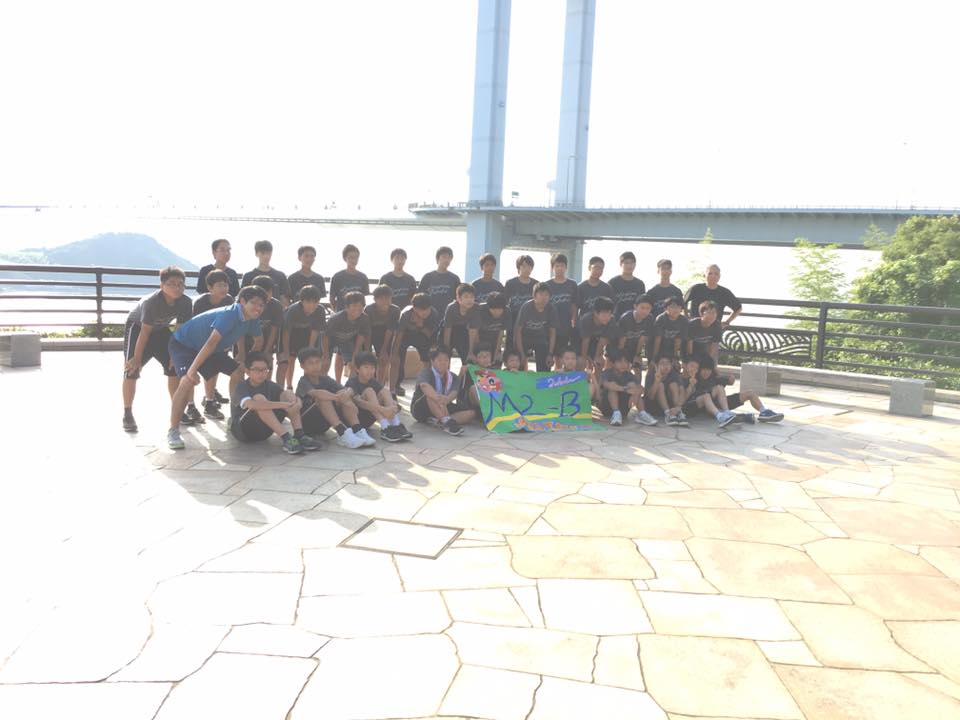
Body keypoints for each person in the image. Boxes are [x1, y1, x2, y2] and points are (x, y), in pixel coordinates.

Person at [167, 285, 268, 449]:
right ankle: (173, 430)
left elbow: (259, 341)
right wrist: (192, 371)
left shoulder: (253, 317)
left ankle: (235, 418)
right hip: (185, 345)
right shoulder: (230, 314)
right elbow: (211, 342)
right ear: (242, 301)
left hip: (212, 350)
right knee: (187, 381)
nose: (258, 308)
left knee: (238, 371)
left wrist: (247, 363)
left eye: (262, 305)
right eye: (254, 303)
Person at [122, 266, 193, 433]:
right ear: (162, 286)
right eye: (171, 284)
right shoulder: (151, 302)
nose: (177, 288)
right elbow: (145, 332)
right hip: (138, 328)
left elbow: (180, 330)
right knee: (132, 370)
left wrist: (174, 355)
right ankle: (127, 413)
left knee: (174, 367)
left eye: (180, 284)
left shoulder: (185, 302)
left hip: (161, 330)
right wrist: (136, 358)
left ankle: (177, 410)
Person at [229, 351, 322, 453]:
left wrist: (297, 402)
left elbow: (292, 399)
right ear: (247, 372)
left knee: (288, 394)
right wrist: (282, 405)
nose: (261, 373)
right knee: (260, 400)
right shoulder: (242, 386)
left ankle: (299, 434)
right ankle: (286, 438)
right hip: (244, 432)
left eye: (264, 370)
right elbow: (251, 404)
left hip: (264, 432)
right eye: (256, 370)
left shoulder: (271, 385)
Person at [296, 347, 371, 449]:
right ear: (302, 366)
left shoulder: (325, 379)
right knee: (324, 398)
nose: (315, 366)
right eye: (310, 363)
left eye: (317, 362)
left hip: (324, 424)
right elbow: (317, 393)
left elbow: (349, 389)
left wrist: (346, 395)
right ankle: (342, 433)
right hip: (307, 424)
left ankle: (357, 430)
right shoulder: (303, 382)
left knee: (343, 393)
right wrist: (338, 398)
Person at [191, 269, 234, 420]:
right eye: (220, 285)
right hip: (200, 340)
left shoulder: (229, 300)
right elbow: (195, 327)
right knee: (202, 370)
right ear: (210, 287)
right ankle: (198, 404)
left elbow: (231, 323)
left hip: (220, 339)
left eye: (226, 285)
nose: (224, 288)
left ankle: (209, 399)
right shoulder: (200, 303)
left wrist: (227, 342)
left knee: (215, 369)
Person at [694, 356, 784, 424]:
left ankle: (764, 412)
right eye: (704, 370)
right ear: (699, 369)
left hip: (721, 404)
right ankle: (731, 415)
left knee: (750, 393)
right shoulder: (695, 379)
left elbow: (729, 381)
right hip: (708, 407)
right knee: (719, 388)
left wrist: (730, 379)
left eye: (708, 370)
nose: (706, 372)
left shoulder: (714, 377)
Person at [410, 347, 476, 435]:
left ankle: (442, 420)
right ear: (432, 361)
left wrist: (447, 400)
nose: (443, 362)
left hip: (444, 405)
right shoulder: (426, 372)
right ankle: (446, 422)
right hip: (422, 408)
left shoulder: (452, 376)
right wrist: (438, 399)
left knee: (471, 413)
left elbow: (454, 392)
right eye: (439, 360)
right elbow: (424, 386)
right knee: (430, 397)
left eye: (446, 360)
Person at [346, 351, 407, 443]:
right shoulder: (352, 382)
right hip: (357, 419)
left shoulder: (373, 381)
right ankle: (385, 427)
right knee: (369, 391)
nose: (370, 371)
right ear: (357, 369)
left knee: (385, 391)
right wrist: (383, 409)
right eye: (366, 367)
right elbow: (359, 402)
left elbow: (385, 396)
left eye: (372, 368)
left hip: (370, 417)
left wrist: (392, 406)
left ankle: (396, 424)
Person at [278, 285, 326, 391]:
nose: (312, 305)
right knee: (290, 360)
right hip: (291, 335)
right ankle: (289, 385)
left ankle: (308, 385)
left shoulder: (320, 310)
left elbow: (316, 330)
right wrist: (286, 351)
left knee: (309, 359)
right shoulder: (293, 310)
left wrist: (310, 348)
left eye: (315, 302)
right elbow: (286, 332)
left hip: (308, 334)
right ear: (302, 301)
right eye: (308, 302)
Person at [393, 292, 440, 397]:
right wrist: (395, 352)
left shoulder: (433, 314)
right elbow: (399, 335)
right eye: (422, 310)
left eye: (427, 309)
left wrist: (421, 325)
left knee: (427, 360)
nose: (425, 313)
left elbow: (430, 335)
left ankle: (423, 384)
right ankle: (396, 385)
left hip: (423, 335)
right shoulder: (406, 314)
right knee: (399, 359)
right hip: (405, 336)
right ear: (414, 308)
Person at [598, 348, 658, 427]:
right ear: (613, 363)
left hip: (624, 408)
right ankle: (616, 413)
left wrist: (635, 394)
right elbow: (607, 385)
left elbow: (641, 388)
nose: (623, 364)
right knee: (613, 389)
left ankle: (642, 414)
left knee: (632, 385)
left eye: (626, 362)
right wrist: (626, 390)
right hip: (607, 407)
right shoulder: (607, 373)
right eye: (620, 361)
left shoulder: (629, 375)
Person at [326, 291, 371, 383]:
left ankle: (351, 385)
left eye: (360, 306)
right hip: (330, 340)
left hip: (347, 340)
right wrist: (325, 354)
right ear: (347, 307)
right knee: (324, 364)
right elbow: (325, 337)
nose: (357, 308)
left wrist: (355, 355)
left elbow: (361, 337)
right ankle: (334, 384)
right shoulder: (336, 319)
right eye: (354, 305)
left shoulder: (364, 318)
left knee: (355, 363)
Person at [514, 282, 558, 372]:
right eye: (541, 294)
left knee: (545, 365)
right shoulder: (526, 307)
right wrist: (521, 354)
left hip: (541, 339)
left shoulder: (551, 309)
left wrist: (550, 353)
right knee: (519, 363)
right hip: (525, 338)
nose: (544, 298)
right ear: (534, 296)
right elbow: (518, 331)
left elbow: (552, 332)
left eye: (546, 295)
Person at [545, 253, 579, 369]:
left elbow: (574, 305)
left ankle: (559, 377)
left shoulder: (572, 284)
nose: (559, 268)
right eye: (557, 266)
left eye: (562, 266)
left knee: (561, 357)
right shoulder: (547, 285)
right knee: (549, 358)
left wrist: (574, 321)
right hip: (549, 327)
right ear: (552, 267)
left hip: (565, 326)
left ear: (566, 267)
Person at [364, 284, 401, 389]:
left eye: (387, 298)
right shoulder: (368, 309)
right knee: (367, 359)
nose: (385, 301)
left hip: (385, 334)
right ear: (375, 299)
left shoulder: (395, 310)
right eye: (381, 298)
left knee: (383, 360)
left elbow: (390, 330)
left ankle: (379, 386)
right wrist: (368, 350)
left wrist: (384, 350)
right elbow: (367, 331)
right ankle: (368, 384)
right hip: (370, 333)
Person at [250, 275, 285, 374]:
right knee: (241, 367)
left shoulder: (276, 305)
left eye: (269, 292)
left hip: (267, 339)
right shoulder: (245, 303)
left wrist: (267, 351)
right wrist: (241, 352)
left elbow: (274, 330)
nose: (266, 295)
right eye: (262, 292)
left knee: (267, 365)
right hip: (247, 340)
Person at [644, 354, 689, 427]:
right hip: (653, 407)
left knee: (674, 384)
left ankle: (678, 413)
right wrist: (656, 381)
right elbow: (650, 397)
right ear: (656, 366)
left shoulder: (674, 375)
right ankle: (668, 414)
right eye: (662, 363)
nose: (666, 366)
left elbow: (682, 391)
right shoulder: (651, 375)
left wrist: (678, 407)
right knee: (660, 385)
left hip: (671, 406)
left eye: (668, 363)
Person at [241, 240, 291, 306]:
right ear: (256, 254)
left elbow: (285, 300)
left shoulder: (280, 276)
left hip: (275, 311)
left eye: (269, 253)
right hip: (254, 311)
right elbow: (243, 300)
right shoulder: (248, 276)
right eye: (263, 253)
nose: (266, 256)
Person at [441, 283, 480, 365]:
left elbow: (473, 330)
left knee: (467, 357)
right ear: (458, 298)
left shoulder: (476, 308)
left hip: (463, 330)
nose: (469, 300)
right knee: (444, 355)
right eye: (466, 297)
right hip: (449, 330)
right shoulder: (451, 308)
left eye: (472, 297)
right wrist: (446, 350)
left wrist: (471, 352)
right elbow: (447, 330)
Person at [578, 296, 620, 370]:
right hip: (580, 341)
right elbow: (585, 341)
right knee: (580, 362)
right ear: (596, 313)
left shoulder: (611, 321)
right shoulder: (586, 320)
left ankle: (598, 377)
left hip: (596, 342)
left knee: (599, 362)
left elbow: (603, 341)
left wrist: (596, 357)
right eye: (604, 314)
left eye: (609, 314)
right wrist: (584, 358)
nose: (607, 317)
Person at [418, 246, 461, 317]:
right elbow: (419, 299)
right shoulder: (427, 277)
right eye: (444, 257)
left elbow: (459, 300)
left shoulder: (455, 278)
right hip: (429, 317)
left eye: (449, 258)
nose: (446, 260)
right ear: (437, 259)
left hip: (448, 317)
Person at [618, 293, 655, 371]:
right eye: (642, 308)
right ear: (635, 306)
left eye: (648, 308)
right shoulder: (626, 318)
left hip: (634, 348)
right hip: (621, 347)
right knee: (623, 368)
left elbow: (642, 339)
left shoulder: (650, 319)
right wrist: (621, 357)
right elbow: (622, 341)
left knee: (637, 367)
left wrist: (637, 355)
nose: (644, 311)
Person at [329, 244, 370, 312]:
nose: (353, 260)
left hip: (357, 313)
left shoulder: (363, 277)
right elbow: (332, 299)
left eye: (356, 257)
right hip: (342, 313)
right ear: (345, 258)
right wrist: (337, 313)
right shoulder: (337, 277)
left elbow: (364, 299)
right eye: (351, 257)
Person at [503, 255, 538, 330]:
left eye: (529, 266)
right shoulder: (510, 283)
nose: (527, 269)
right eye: (524, 266)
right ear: (518, 267)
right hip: (513, 319)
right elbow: (505, 303)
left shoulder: (536, 284)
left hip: (530, 321)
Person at [477, 291, 511, 365]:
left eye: (499, 310)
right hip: (480, 339)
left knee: (497, 360)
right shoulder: (480, 309)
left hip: (495, 341)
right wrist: (478, 349)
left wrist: (497, 351)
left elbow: (502, 332)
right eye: (493, 310)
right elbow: (474, 330)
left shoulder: (507, 311)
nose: (497, 312)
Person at [609, 251, 647, 318]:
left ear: (635, 264)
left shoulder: (640, 284)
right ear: (621, 264)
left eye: (632, 263)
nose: (629, 266)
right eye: (626, 263)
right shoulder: (612, 283)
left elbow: (643, 305)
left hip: (634, 321)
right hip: (616, 320)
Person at [652, 296, 688, 364]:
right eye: (672, 307)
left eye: (678, 307)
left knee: (674, 366)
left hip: (672, 348)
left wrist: (675, 357)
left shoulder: (684, 320)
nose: (676, 309)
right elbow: (657, 339)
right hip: (659, 347)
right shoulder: (661, 319)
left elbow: (678, 340)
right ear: (666, 308)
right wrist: (654, 357)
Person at [461, 345, 495, 409]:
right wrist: (461, 373)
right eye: (481, 356)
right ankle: (485, 409)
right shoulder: (470, 370)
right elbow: (460, 388)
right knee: (474, 388)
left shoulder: (495, 371)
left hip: (490, 398)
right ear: (476, 358)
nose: (485, 358)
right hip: (474, 401)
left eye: (487, 355)